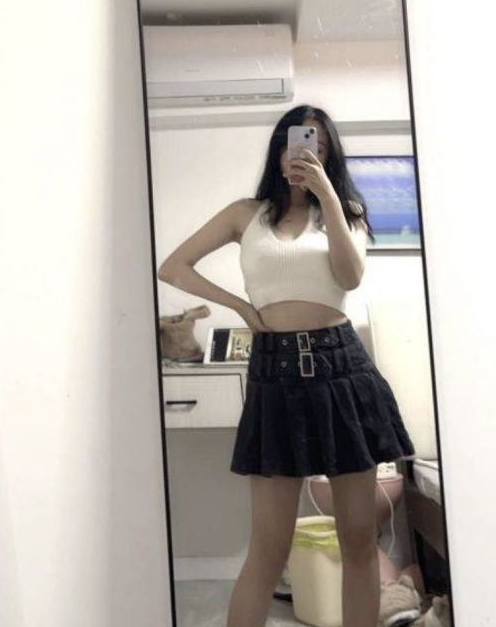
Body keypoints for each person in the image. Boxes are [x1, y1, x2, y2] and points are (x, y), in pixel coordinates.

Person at [158, 105, 415, 627]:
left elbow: (350, 277)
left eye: (318, 146)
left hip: (342, 371)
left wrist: (328, 198)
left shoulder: (345, 211)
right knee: (268, 547)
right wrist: (238, 305)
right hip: (274, 375)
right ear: (279, 151)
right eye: (296, 142)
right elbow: (173, 266)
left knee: (358, 539)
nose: (304, 153)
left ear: (328, 156)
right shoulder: (245, 214)